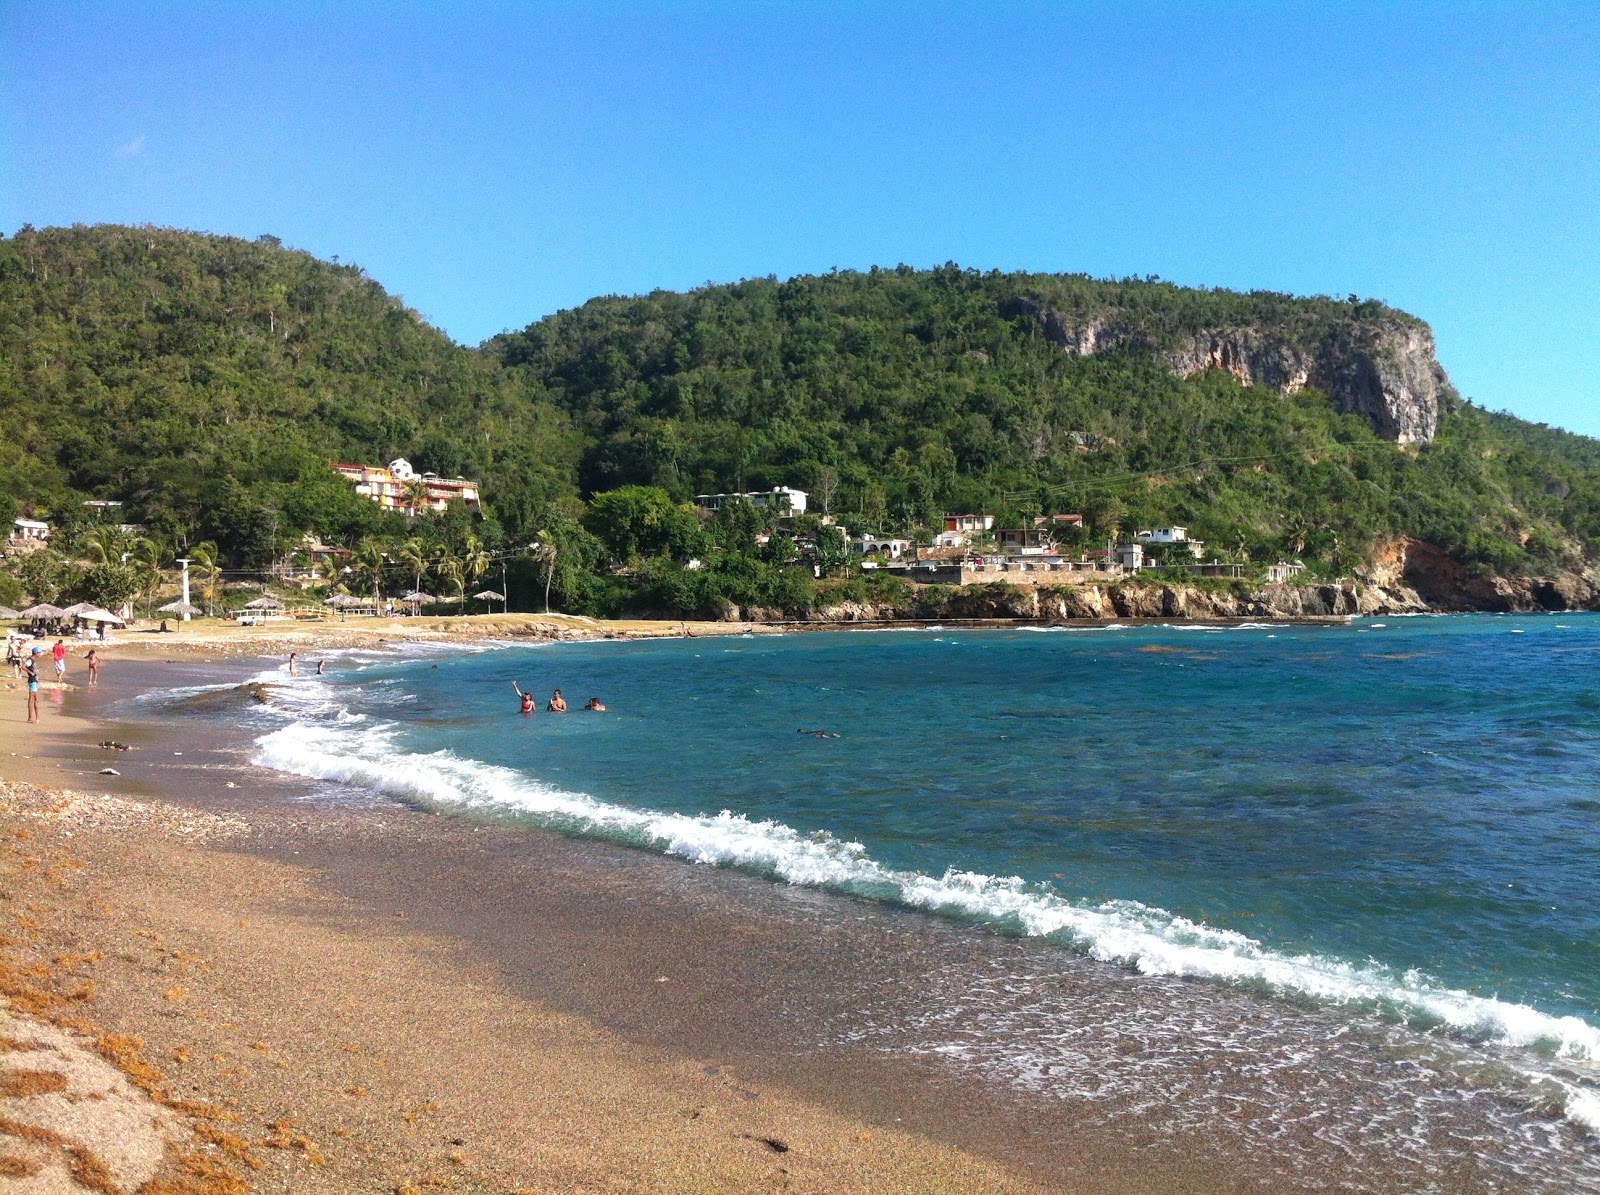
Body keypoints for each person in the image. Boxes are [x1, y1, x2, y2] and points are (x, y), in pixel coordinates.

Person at [24, 651, 40, 723]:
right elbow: (23, 666)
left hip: (35, 681)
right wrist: (31, 673)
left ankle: (37, 718)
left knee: (36, 699)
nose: (40, 654)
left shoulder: (33, 660)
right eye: (39, 653)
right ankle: (30, 718)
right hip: (32, 680)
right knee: (32, 699)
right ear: (36, 653)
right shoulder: (30, 660)